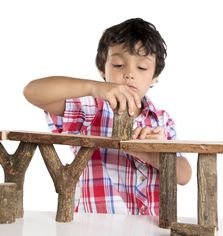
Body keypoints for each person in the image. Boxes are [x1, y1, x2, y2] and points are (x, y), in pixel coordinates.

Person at [23, 18, 192, 215]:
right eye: (119, 65)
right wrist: (95, 88)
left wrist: (153, 154)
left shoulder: (161, 120)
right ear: (103, 69)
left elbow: (184, 175)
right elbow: (32, 91)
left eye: (142, 68)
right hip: (95, 226)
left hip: (151, 227)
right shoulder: (89, 109)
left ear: (155, 76)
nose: (129, 74)